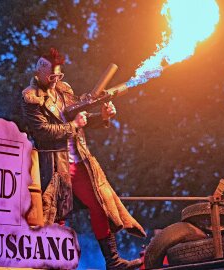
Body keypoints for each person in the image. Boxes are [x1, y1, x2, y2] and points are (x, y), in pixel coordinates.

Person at [21, 48, 146, 270]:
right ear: (40, 71)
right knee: (55, 217)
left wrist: (102, 117)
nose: (56, 80)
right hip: (54, 166)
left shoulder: (64, 90)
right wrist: (73, 125)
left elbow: (82, 119)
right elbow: (43, 132)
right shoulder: (31, 97)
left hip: (80, 162)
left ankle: (113, 262)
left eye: (59, 75)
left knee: (101, 205)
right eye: (52, 76)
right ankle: (53, 266)